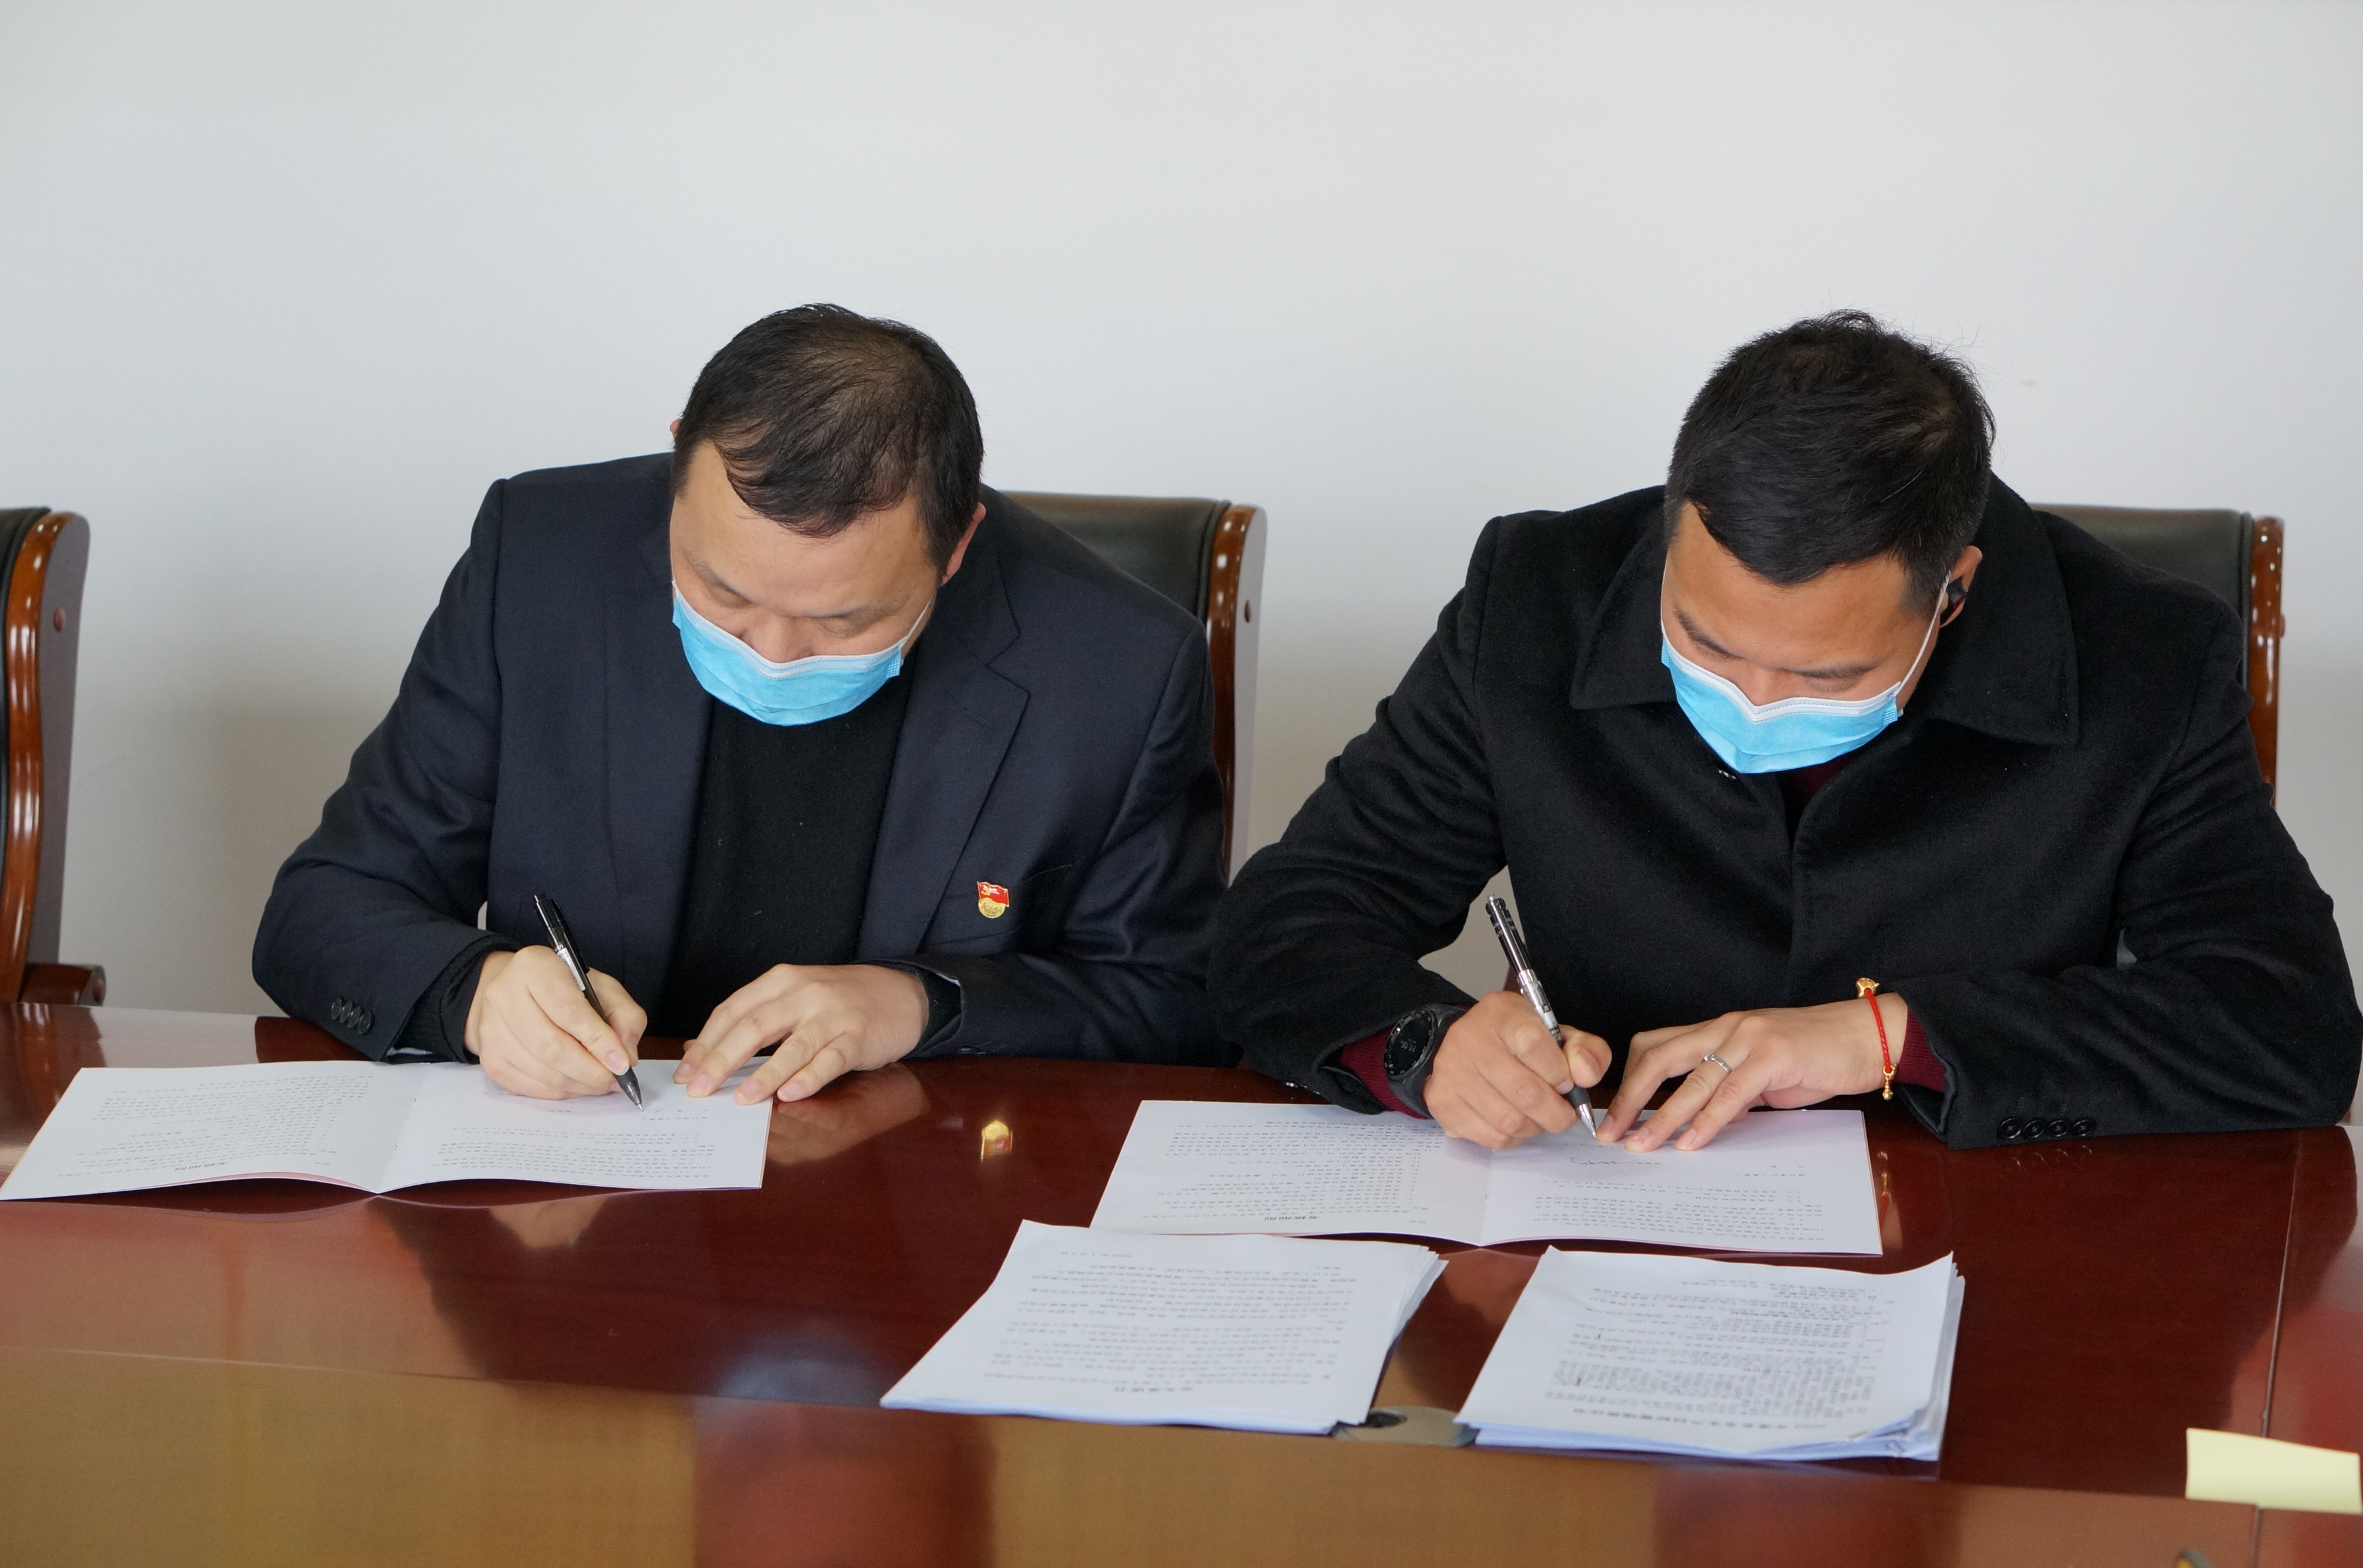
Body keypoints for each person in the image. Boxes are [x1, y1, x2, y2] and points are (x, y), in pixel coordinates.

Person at [1214, 311, 2360, 1152]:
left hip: (1989, 1240)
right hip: (1620, 1213)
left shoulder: (2145, 658)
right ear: (1671, 533)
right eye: (1705, 642)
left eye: (1827, 672)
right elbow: (1289, 917)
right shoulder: (1536, 598)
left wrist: (1882, 1038)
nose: (1755, 699)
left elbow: (2286, 1026)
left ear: (1953, 591)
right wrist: (1423, 1048)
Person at [256, 305, 1228, 1103]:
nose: (772, 651)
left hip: (915, 1199)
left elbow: (1179, 1004)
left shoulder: (1120, 665)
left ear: (957, 546)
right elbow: (324, 903)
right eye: (722, 593)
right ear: (677, 470)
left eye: (843, 619)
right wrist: (475, 991)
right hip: (584, 1180)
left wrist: (923, 1006)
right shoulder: (541, 560)